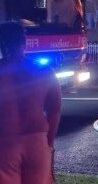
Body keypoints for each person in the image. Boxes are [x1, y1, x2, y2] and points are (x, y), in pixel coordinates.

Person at [0, 22, 61, 184]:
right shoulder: (44, 70)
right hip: (37, 143)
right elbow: (54, 110)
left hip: (5, 144)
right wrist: (49, 144)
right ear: (24, 42)